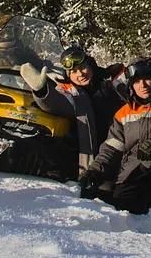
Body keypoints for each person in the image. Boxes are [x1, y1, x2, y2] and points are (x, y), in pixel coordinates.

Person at [76, 57, 151, 214]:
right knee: (108, 200)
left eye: (147, 79)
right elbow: (112, 147)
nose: (143, 86)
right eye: (137, 81)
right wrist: (95, 171)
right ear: (131, 85)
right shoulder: (123, 113)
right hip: (132, 172)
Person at [20, 44, 126, 178]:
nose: (80, 74)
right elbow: (55, 103)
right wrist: (41, 90)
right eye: (74, 72)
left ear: (90, 65)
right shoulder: (71, 93)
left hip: (123, 156)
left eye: (82, 68)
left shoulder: (110, 83)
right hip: (94, 164)